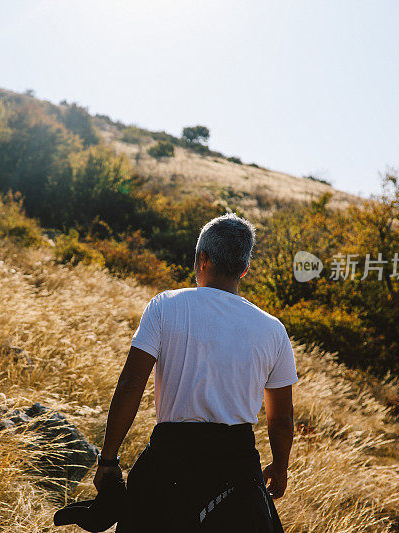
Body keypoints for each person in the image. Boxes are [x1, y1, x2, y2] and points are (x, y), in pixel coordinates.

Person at [93, 213, 297, 532]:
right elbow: (281, 418)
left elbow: (131, 383)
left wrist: (108, 460)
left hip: (169, 463)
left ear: (202, 260)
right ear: (244, 268)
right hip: (238, 469)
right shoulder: (273, 330)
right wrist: (280, 468)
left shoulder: (165, 306)